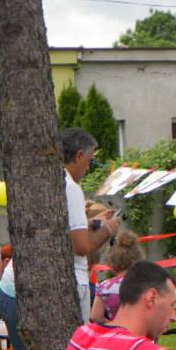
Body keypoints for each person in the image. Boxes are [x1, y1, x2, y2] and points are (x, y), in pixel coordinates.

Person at [62, 128, 120, 323]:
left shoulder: (56, 182)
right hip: (73, 281)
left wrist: (91, 222)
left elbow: (64, 232)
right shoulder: (71, 188)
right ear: (79, 156)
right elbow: (81, 247)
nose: (87, 169)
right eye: (89, 162)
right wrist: (108, 229)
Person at [90, 230, 144, 324]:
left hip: (117, 333)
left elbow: (95, 317)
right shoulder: (146, 283)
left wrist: (113, 325)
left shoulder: (104, 287)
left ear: (112, 262)